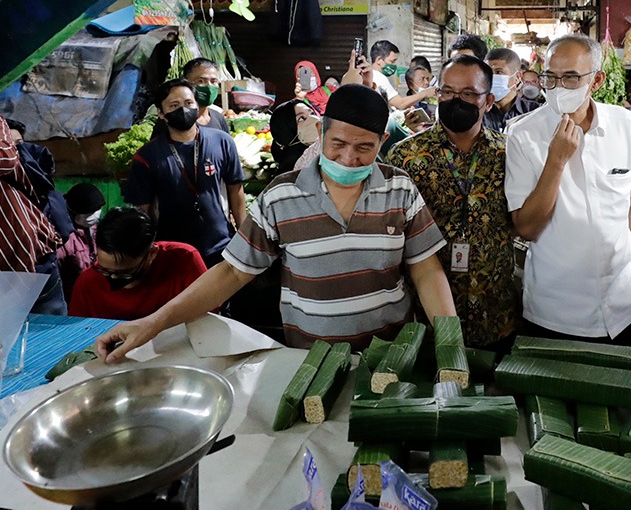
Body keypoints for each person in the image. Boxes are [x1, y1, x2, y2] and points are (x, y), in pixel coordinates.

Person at [96, 84, 458, 359]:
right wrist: (153, 322)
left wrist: (450, 343)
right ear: (321, 132)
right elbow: (232, 273)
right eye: (338, 144)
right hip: (309, 361)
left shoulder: (399, 189)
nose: (348, 158)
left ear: (382, 141)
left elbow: (426, 269)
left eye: (364, 148)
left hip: (390, 358)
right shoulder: (280, 196)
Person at [505, 35, 631, 345]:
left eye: (571, 77)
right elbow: (526, 228)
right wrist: (556, 161)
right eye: (550, 77)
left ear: (596, 80)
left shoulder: (622, 123)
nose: (558, 87)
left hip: (626, 301)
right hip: (558, 309)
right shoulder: (523, 134)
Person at [388, 55, 518, 352]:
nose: (455, 100)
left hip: (495, 314)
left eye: (469, 94)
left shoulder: (509, 154)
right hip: (424, 320)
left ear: (488, 101)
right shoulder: (405, 157)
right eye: (447, 92)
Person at [124, 79, 246, 267]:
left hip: (221, 248)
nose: (183, 109)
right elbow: (143, 210)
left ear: (197, 106)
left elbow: (236, 191)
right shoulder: (146, 157)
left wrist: (244, 238)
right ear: (161, 113)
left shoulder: (222, 142)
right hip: (172, 253)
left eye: (189, 103)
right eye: (174, 105)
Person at [69, 207, 207, 320]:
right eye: (105, 270)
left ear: (152, 253)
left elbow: (207, 315)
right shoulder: (88, 283)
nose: (114, 278)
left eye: (124, 273)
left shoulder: (183, 260)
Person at [0, 115, 64, 314]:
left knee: (52, 329)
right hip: (6, 273)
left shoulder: (12, 162)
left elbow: (6, 160)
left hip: (36, 265)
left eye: (18, 144)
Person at [56, 182, 106, 301]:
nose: (95, 216)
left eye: (98, 210)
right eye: (89, 214)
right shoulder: (63, 238)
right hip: (73, 297)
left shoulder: (98, 229)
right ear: (74, 214)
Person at [367, 40, 437, 111]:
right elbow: (400, 103)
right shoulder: (379, 77)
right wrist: (425, 93)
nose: (394, 65)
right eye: (392, 61)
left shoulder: (370, 75)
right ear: (379, 60)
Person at [270, 100, 319, 174]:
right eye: (301, 118)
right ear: (286, 131)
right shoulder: (293, 169)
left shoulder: (321, 147)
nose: (314, 119)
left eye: (312, 113)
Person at [482, 48, 523, 133]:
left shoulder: (533, 112)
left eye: (498, 72)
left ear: (517, 77)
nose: (491, 77)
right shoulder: (478, 112)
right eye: (488, 73)